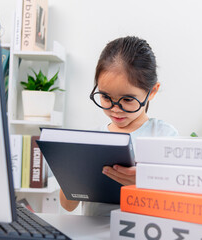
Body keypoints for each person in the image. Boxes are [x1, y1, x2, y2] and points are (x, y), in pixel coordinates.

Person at [59, 36, 178, 216]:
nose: (115, 109)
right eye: (106, 97)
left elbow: (176, 204)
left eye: (128, 100)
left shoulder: (164, 136)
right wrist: (73, 173)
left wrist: (144, 182)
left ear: (151, 91)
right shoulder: (91, 139)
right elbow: (67, 206)